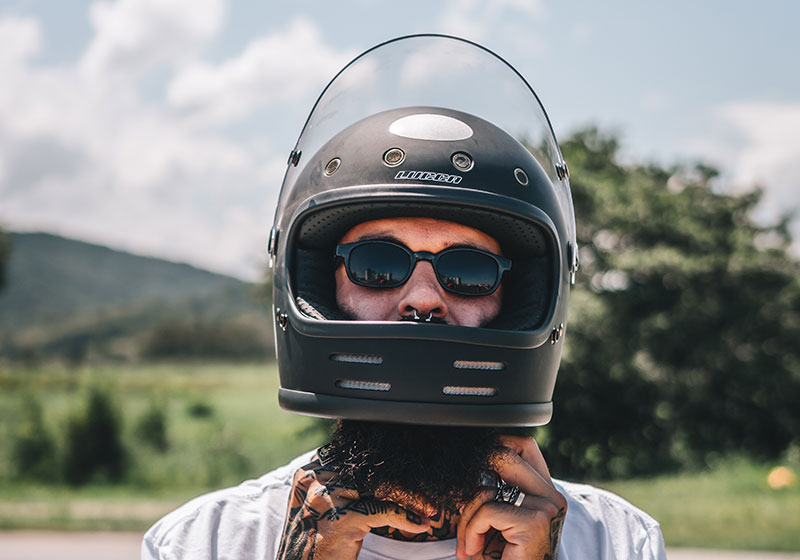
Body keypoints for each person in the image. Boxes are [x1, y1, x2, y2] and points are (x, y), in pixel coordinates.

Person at [142, 35, 667, 560]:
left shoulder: (614, 542)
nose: (422, 301)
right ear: (320, 287)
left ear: (522, 299)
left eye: (467, 271)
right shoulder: (204, 542)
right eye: (378, 266)